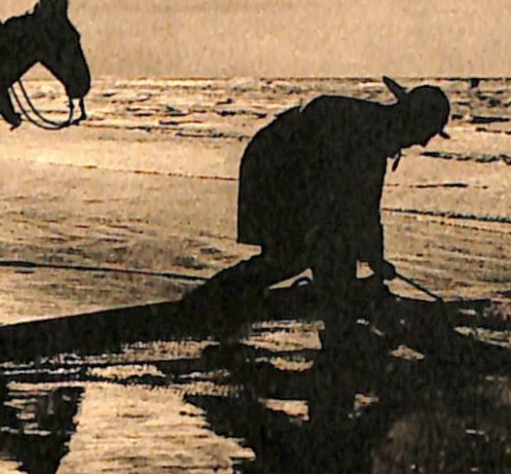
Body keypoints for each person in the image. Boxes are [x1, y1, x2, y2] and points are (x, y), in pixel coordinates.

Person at [194, 77, 452, 331]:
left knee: (315, 249)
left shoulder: (375, 133)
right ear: (413, 120)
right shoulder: (366, 136)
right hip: (272, 163)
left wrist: (373, 256)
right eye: (426, 133)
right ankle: (210, 301)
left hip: (289, 166)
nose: (423, 143)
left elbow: (362, 209)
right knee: (292, 254)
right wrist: (366, 258)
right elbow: (346, 207)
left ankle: (226, 296)